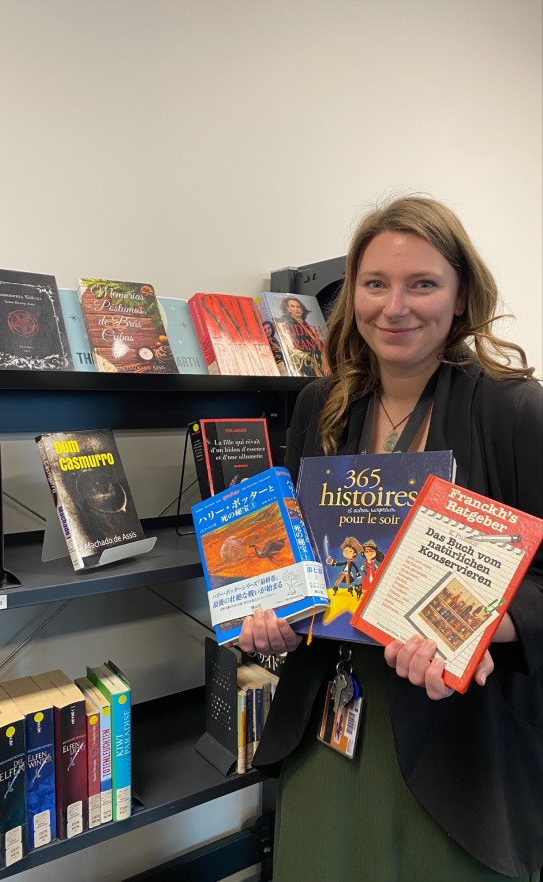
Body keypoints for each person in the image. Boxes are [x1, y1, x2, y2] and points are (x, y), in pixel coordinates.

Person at [239, 196, 543, 881]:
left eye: (423, 284)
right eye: (375, 284)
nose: (394, 307)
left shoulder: (513, 407)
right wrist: (279, 614)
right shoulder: (322, 403)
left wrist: (468, 628)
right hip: (333, 728)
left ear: (462, 296)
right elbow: (300, 560)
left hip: (458, 745)